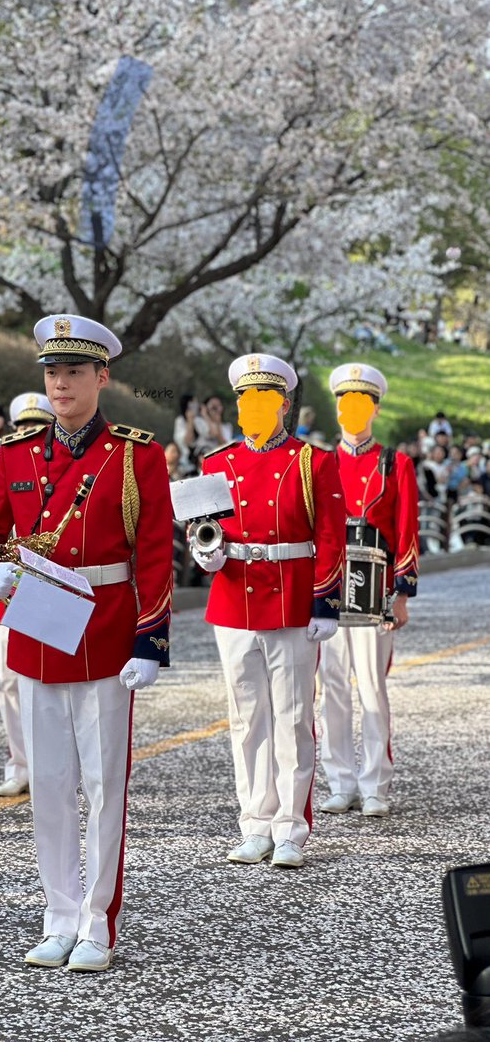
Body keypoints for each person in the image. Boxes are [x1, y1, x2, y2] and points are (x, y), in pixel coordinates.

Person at [0, 315, 173, 973]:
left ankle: (96, 925)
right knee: (51, 786)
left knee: (104, 785)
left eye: (74, 371)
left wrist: (152, 639)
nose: (60, 382)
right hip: (35, 635)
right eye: (52, 372)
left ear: (101, 377)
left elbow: (155, 554)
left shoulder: (137, 454)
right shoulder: (18, 452)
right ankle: (57, 917)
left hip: (108, 635)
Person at [190, 352, 346, 870]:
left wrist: (326, 600)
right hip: (234, 598)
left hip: (293, 598)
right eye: (246, 398)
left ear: (283, 405)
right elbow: (203, 529)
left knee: (294, 717)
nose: (254, 406)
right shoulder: (217, 463)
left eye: (264, 398)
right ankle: (255, 822)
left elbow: (329, 536)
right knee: (245, 719)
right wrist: (205, 553)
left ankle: (291, 829)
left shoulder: (313, 462)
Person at [319, 363, 419, 818]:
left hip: (376, 591)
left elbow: (407, 529)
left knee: (372, 689)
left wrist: (403, 593)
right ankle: (340, 780)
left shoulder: (395, 462)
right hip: (331, 588)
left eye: (361, 402)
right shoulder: (320, 463)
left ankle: (375, 782)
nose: (352, 410)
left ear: (374, 409)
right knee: (332, 686)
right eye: (346, 403)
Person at [0, 391, 55, 799]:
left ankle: (51, 763)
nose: (27, 434)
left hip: (46, 588)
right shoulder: (7, 465)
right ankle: (20, 763)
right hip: (8, 589)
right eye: (21, 428)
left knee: (49, 682)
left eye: (36, 427)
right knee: (7, 684)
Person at [173, 393, 198, 473]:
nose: (197, 405)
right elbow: (188, 441)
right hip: (186, 465)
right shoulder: (180, 421)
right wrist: (190, 421)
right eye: (194, 403)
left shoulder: (200, 421)